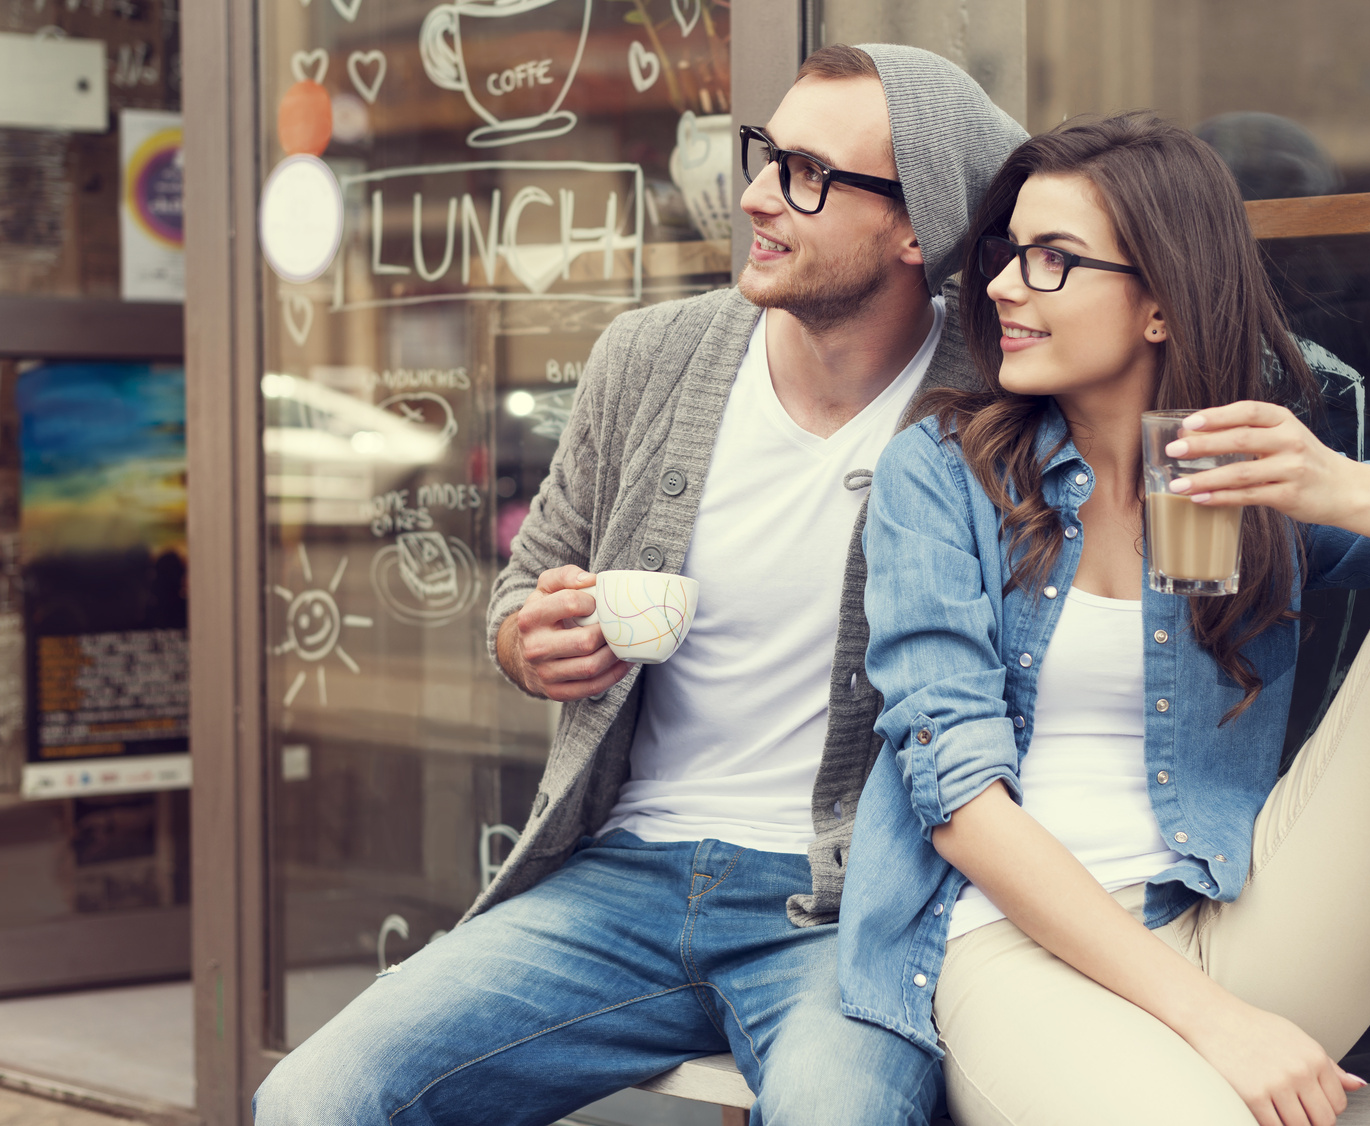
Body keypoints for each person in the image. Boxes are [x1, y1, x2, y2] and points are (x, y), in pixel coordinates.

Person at [254, 45, 1027, 1126]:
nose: (756, 194)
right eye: (766, 154)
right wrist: (535, 640)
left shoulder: (987, 414)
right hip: (620, 877)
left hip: (846, 911)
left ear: (916, 226)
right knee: (314, 1098)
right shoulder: (651, 355)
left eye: (807, 174)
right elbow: (520, 594)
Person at [839, 112, 1370, 1126]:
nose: (1001, 285)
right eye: (1008, 253)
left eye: (1051, 260)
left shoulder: (1225, 479)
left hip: (1228, 924)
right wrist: (1218, 1022)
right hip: (1012, 958)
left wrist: (1336, 486)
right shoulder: (945, 473)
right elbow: (958, 800)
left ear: (1160, 306)